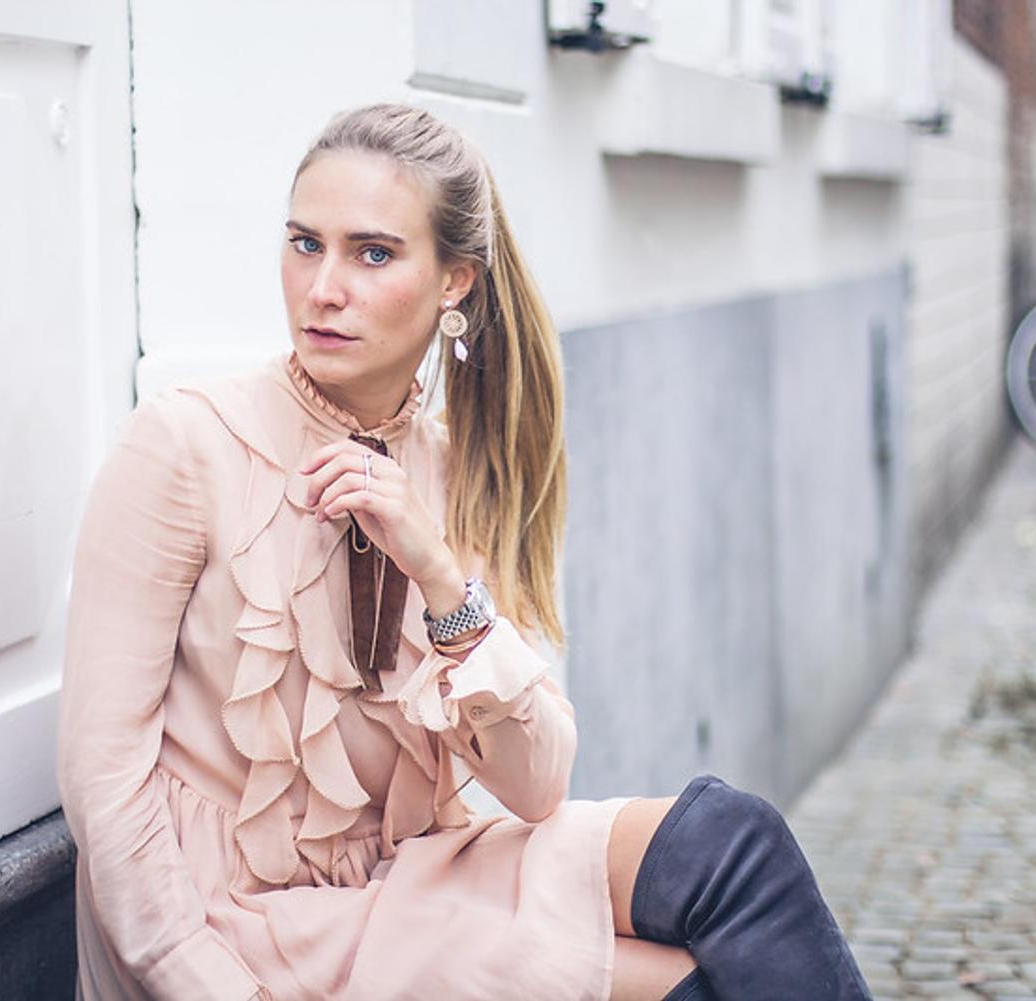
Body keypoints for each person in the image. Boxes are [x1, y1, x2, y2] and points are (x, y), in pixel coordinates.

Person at [56, 103, 871, 1001]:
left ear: (455, 282)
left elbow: (536, 784)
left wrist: (437, 571)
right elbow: (103, 784)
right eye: (304, 243)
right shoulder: (183, 446)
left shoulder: (450, 473)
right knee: (684, 988)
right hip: (239, 925)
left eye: (372, 254)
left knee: (735, 842)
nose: (323, 287)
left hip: (404, 885)